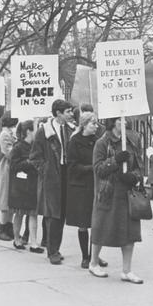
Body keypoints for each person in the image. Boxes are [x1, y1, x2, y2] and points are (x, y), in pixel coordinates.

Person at [89, 117, 144, 282]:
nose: (125, 123)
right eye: (121, 121)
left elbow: (139, 167)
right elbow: (98, 169)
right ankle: (93, 263)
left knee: (130, 231)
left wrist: (133, 177)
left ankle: (127, 270)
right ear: (113, 123)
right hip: (108, 193)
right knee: (101, 227)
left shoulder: (131, 141)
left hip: (127, 193)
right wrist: (115, 160)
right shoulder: (102, 143)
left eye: (126, 120)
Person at [29, 99, 75, 265]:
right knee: (53, 215)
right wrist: (46, 171)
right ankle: (52, 250)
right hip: (51, 177)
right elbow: (34, 157)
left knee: (61, 214)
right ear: (58, 113)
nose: (71, 114)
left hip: (66, 175)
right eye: (68, 111)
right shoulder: (44, 132)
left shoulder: (72, 130)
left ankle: (56, 247)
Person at [66, 111, 99, 268]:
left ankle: (94, 255)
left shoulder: (97, 141)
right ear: (84, 125)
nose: (96, 126)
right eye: (93, 123)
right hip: (81, 186)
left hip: (95, 185)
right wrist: (91, 168)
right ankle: (85, 256)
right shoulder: (75, 141)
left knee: (96, 221)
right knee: (83, 222)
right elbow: (72, 166)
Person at [9, 120, 39, 252]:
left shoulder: (35, 146)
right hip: (20, 186)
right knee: (19, 214)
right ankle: (16, 239)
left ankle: (33, 242)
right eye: (35, 129)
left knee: (33, 214)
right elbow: (14, 166)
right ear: (28, 131)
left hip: (32, 184)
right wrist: (30, 162)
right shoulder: (18, 147)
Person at [0, 113, 19, 241]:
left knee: (11, 201)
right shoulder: (4, 135)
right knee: (5, 200)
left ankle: (9, 228)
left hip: (11, 170)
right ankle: (2, 228)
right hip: (6, 170)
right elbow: (9, 153)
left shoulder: (10, 134)